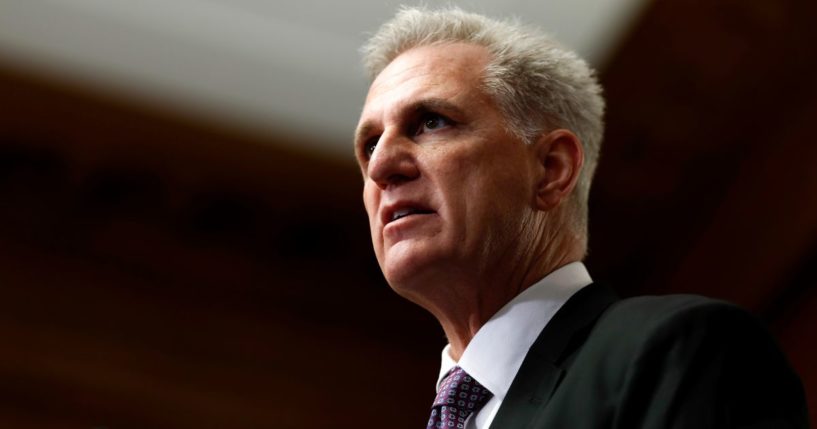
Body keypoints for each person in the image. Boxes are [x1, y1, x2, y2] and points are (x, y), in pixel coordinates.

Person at [353, 6, 808, 429]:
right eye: (370, 145)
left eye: (431, 122)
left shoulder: (675, 352)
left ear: (552, 169)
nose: (380, 165)